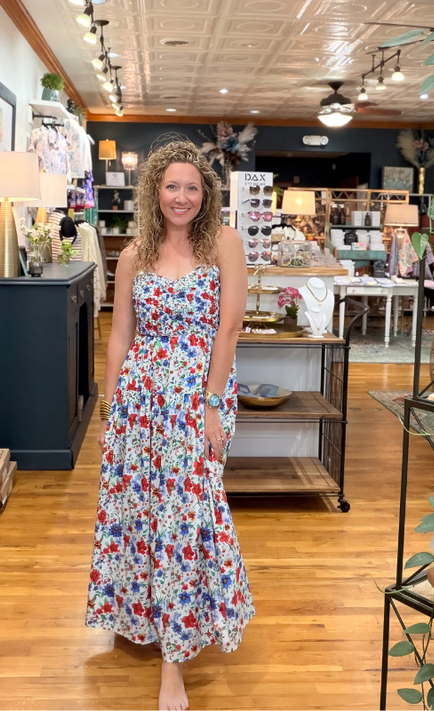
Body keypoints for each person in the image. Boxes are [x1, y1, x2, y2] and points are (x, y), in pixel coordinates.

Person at [86, 139, 255, 711]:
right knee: (139, 511)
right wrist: (109, 409)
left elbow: (228, 331)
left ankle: (174, 663)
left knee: (186, 518)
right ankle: (140, 612)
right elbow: (118, 337)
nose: (181, 197)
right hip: (138, 400)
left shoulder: (225, 245)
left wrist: (211, 404)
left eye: (192, 187)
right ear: (154, 191)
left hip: (195, 398)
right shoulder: (134, 253)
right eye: (171, 186)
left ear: (205, 194)